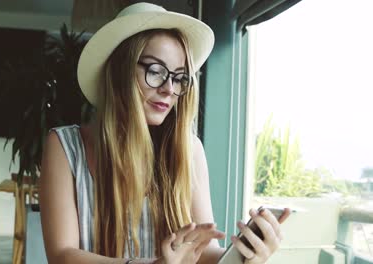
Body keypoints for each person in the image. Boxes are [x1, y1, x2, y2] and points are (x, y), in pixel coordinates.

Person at [39, 2, 290, 264]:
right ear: (119, 72)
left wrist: (244, 256)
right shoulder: (65, 146)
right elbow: (62, 256)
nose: (170, 89)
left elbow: (202, 251)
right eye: (156, 71)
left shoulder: (189, 149)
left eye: (180, 77)